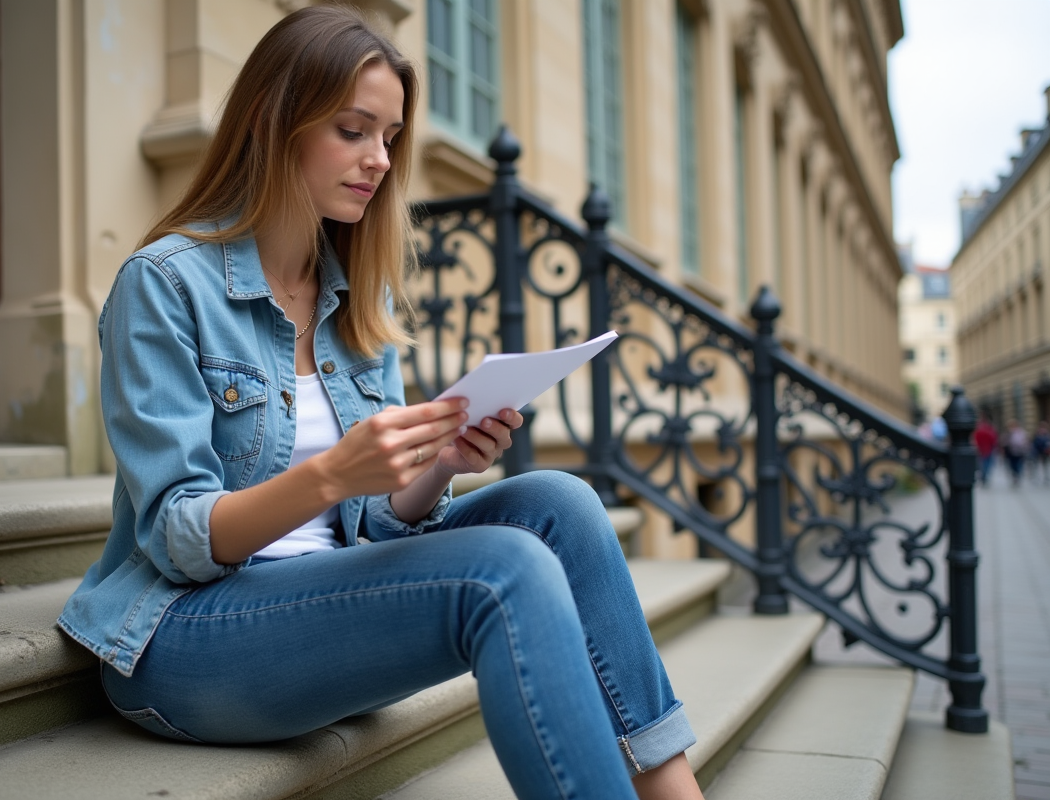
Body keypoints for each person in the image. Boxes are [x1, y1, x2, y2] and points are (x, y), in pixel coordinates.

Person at [57, 9, 702, 799]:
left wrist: (435, 470)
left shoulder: (353, 296)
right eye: (354, 130)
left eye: (391, 137)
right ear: (277, 122)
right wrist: (330, 475)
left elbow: (384, 527)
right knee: (504, 569)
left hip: (325, 607)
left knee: (560, 504)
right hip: (187, 635)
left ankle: (674, 791)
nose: (379, 161)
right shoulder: (163, 284)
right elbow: (176, 536)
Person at [1003, 419, 1029, 487]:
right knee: (1012, 464)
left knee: (1019, 464)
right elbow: (1004, 442)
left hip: (1019, 451)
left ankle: (1018, 475)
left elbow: (1024, 441)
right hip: (1010, 452)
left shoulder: (1021, 432)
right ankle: (1015, 475)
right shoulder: (1008, 433)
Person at [973, 416, 998, 487]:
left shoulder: (979, 431)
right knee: (987, 464)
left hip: (981, 450)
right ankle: (985, 476)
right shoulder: (990, 430)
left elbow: (975, 440)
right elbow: (993, 439)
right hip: (988, 449)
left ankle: (983, 476)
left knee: (982, 464)